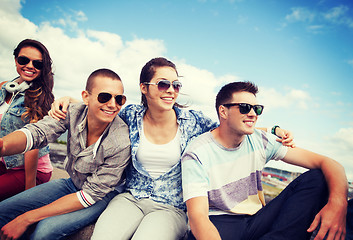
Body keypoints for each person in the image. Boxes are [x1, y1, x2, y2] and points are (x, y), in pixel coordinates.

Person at [49, 58, 294, 240]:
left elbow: (230, 124)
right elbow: (100, 105)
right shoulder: (131, 114)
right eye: (163, 84)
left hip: (172, 208)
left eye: (176, 85)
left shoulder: (194, 121)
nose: (170, 90)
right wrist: (69, 100)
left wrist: (272, 129)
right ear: (144, 88)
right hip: (131, 199)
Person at [181, 81, 348, 240]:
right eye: (245, 108)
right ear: (223, 111)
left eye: (257, 109)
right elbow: (199, 218)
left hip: (256, 219)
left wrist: (338, 205)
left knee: (318, 178)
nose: (253, 114)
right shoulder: (197, 152)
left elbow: (329, 163)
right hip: (219, 223)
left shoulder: (260, 140)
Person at [0, 68, 131, 240]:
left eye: (119, 99)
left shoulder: (120, 141)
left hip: (100, 196)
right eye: (104, 97)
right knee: (4, 210)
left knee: (44, 231)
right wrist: (3, 145)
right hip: (72, 183)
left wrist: (26, 218)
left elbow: (90, 195)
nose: (113, 105)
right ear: (86, 97)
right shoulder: (73, 112)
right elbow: (39, 132)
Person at [0, 39, 54, 201]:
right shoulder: (4, 88)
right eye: (24, 60)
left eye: (37, 63)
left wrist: (28, 191)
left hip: (31, 171)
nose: (30, 66)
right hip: (5, 163)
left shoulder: (41, 99)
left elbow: (33, 144)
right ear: (16, 60)